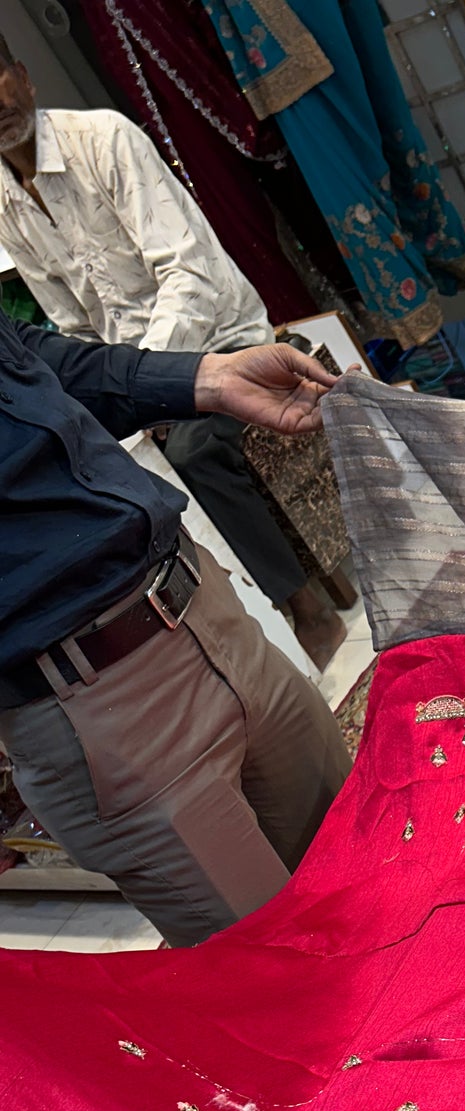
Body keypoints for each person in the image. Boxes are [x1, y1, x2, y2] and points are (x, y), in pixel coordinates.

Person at [0, 306, 351, 947]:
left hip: (209, 613)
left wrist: (208, 379)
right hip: (96, 704)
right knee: (288, 984)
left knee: (374, 872)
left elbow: (26, 361)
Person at [0, 42, 344, 662]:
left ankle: (306, 608)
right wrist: (121, 396)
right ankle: (211, 636)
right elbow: (70, 325)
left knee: (192, 446)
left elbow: (189, 274)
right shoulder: (2, 205)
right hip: (132, 373)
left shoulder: (101, 139)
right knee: (86, 465)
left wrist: (153, 384)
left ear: (22, 76)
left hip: (219, 341)